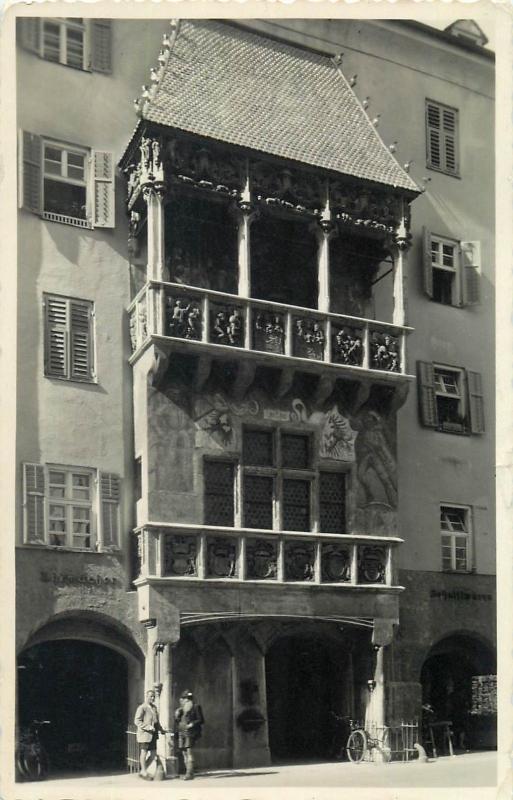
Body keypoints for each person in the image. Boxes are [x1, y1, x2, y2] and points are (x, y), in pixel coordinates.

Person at [134, 688, 165, 780]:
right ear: (146, 697)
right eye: (150, 696)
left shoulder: (154, 708)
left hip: (153, 735)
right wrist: (148, 727)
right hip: (145, 735)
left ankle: (143, 771)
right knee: (144, 752)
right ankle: (143, 771)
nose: (152, 698)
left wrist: (161, 729)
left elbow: (156, 722)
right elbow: (137, 721)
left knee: (153, 754)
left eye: (153, 697)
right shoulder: (142, 707)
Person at [174, 689, 204, 780]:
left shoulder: (196, 707)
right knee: (183, 752)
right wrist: (176, 715)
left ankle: (189, 773)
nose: (187, 700)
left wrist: (191, 724)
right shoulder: (181, 709)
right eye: (185, 698)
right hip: (181, 732)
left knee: (189, 751)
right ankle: (187, 771)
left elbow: (201, 720)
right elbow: (177, 721)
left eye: (189, 698)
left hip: (190, 732)